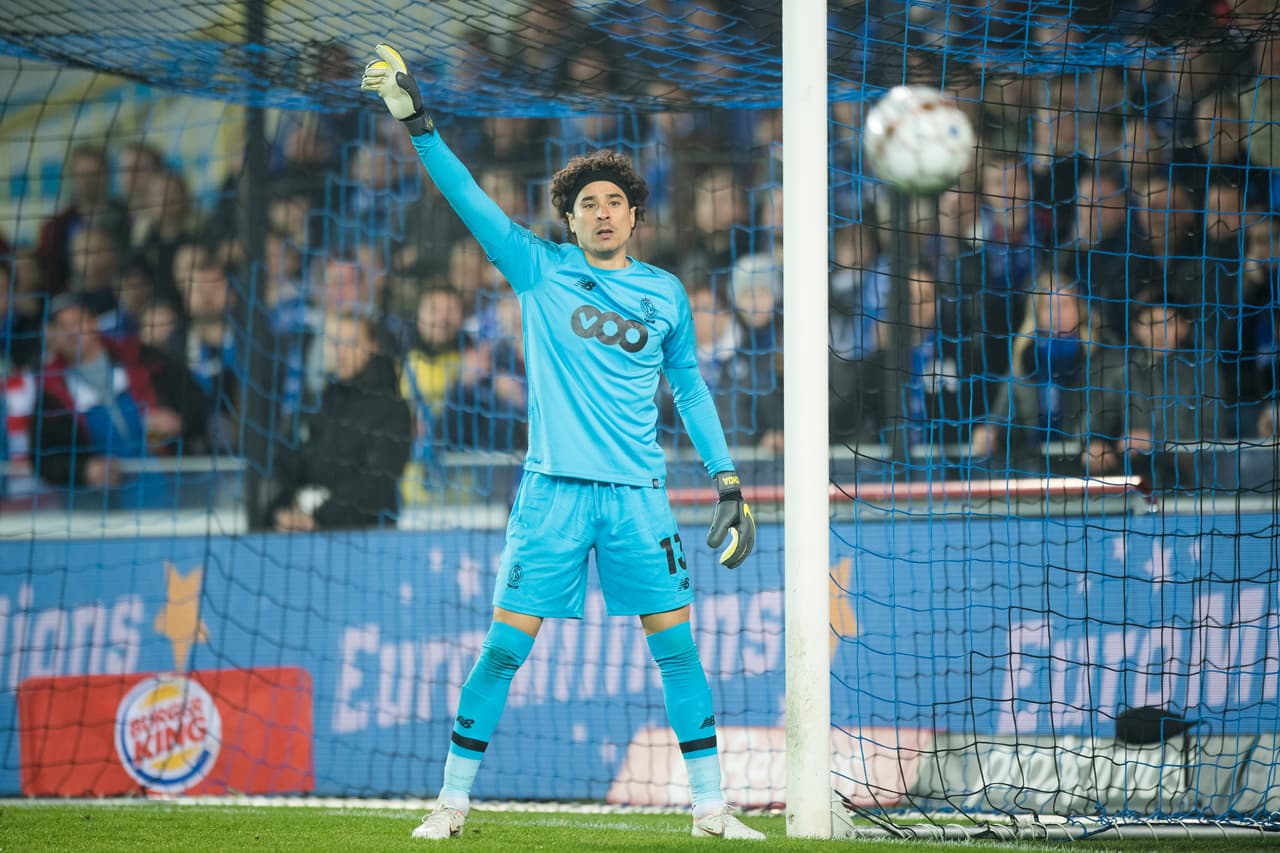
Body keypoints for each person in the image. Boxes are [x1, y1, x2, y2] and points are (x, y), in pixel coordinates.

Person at [362, 44, 762, 841]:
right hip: (551, 493)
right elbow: (468, 197)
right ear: (569, 220)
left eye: (615, 199)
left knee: (678, 653)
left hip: (638, 496)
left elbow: (688, 388)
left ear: (635, 215)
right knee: (504, 650)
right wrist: (420, 125)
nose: (603, 210)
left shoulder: (666, 293)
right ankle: (451, 801)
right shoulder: (537, 269)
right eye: (588, 203)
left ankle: (712, 809)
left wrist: (727, 481)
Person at [268, 311, 411, 531]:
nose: (339, 353)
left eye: (350, 343)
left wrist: (320, 518)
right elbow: (286, 464)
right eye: (333, 343)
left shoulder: (392, 410)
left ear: (372, 347)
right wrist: (282, 508)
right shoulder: (319, 403)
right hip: (302, 531)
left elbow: (377, 483)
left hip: (368, 538)